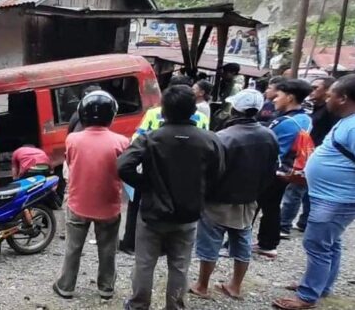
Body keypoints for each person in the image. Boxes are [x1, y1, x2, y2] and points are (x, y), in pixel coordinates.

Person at [118, 85, 224, 310]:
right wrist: (201, 193)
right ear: (193, 109)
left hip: (152, 213)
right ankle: (175, 305)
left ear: (163, 110)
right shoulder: (210, 140)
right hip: (188, 214)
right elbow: (218, 174)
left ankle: (138, 305)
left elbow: (123, 166)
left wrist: (145, 186)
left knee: (144, 264)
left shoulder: (151, 139)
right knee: (180, 265)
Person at [272, 75, 355, 310]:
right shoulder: (347, 120)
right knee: (331, 243)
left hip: (337, 198)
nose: (327, 99)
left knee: (316, 243)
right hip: (329, 195)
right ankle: (321, 285)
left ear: (343, 98)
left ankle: (307, 296)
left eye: (331, 95)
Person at [189, 89, 278, 301]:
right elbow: (271, 171)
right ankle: (235, 286)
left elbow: (208, 171)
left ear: (235, 109)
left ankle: (202, 285)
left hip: (218, 200)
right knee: (243, 241)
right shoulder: (269, 136)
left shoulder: (222, 137)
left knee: (210, 242)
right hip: (248, 200)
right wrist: (256, 194)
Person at [119, 75, 210, 256]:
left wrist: (143, 182)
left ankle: (130, 243)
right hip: (187, 176)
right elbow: (207, 148)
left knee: (137, 208)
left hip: (152, 172)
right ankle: (170, 247)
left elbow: (135, 140)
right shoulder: (201, 119)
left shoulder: (153, 114)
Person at [53, 91, 129, 300]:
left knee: (73, 248)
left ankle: (66, 286)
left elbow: (70, 163)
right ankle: (106, 288)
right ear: (112, 115)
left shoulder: (73, 139)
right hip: (109, 206)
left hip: (78, 203)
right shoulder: (122, 141)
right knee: (107, 249)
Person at [254, 79, 313, 258]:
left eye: (278, 96)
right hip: (287, 171)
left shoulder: (284, 122)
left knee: (253, 207)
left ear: (290, 97)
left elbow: (272, 147)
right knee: (272, 207)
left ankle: (233, 244)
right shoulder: (306, 118)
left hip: (273, 170)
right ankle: (268, 243)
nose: (274, 100)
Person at [280, 77, 339, 237]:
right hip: (308, 154)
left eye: (315, 88)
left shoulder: (331, 112)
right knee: (304, 190)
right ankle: (303, 222)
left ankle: (284, 225)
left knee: (295, 190)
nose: (311, 91)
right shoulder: (311, 109)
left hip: (314, 155)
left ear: (327, 91)